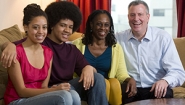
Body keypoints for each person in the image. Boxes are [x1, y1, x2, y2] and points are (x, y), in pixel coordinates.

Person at [1, 1, 108, 105]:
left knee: (97, 78)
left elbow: (87, 67)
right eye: (63, 25)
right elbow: (14, 46)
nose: (67, 30)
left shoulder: (72, 50)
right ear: (52, 25)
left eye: (70, 27)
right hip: (49, 89)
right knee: (68, 94)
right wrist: (9, 45)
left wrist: (88, 67)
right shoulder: (40, 41)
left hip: (65, 87)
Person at [115, 0, 185, 104]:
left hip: (156, 88)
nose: (136, 19)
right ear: (128, 17)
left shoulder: (162, 38)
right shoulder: (118, 38)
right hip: (131, 87)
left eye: (140, 14)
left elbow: (178, 72)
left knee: (164, 93)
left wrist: (165, 81)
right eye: (132, 15)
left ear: (148, 17)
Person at [72, 10, 136, 105]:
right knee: (97, 77)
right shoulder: (77, 44)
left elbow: (121, 73)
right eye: (99, 24)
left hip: (104, 90)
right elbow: (70, 72)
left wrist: (131, 79)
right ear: (91, 25)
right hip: (82, 86)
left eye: (106, 25)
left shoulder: (116, 48)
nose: (103, 28)